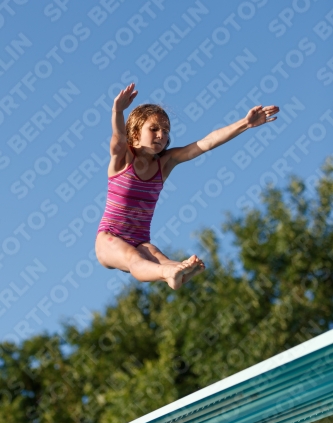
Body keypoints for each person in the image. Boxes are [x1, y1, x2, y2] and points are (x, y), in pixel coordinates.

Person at [95, 83, 279, 290]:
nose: (161, 135)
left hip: (140, 239)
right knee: (133, 257)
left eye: (165, 131)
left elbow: (206, 143)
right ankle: (169, 273)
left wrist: (245, 124)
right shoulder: (124, 159)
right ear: (135, 133)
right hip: (109, 238)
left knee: (158, 256)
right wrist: (118, 111)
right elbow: (118, 138)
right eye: (153, 129)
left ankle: (179, 272)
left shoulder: (164, 163)